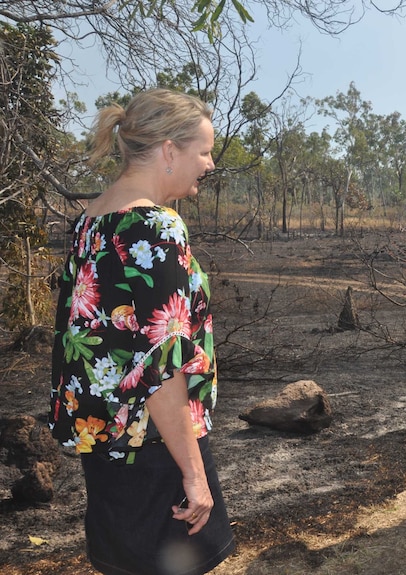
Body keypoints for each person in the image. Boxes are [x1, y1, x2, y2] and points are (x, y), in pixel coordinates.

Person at [49, 88, 235, 575]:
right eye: (203, 151)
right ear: (170, 151)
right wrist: (194, 475)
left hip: (106, 448)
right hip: (155, 447)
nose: (210, 164)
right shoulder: (156, 227)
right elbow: (159, 366)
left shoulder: (89, 220)